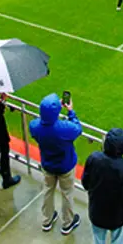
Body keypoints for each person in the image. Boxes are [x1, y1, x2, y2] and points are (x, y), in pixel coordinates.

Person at [30, 93, 83, 235]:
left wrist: (53, 109)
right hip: (65, 165)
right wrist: (71, 111)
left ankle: (46, 220)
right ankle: (67, 223)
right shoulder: (64, 128)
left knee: (47, 191)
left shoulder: (35, 126)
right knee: (67, 194)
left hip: (47, 165)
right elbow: (78, 128)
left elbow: (38, 123)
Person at [81, 128, 123, 244]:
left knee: (98, 240)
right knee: (118, 241)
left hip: (96, 211)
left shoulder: (94, 158)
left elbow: (85, 182)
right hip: (118, 216)